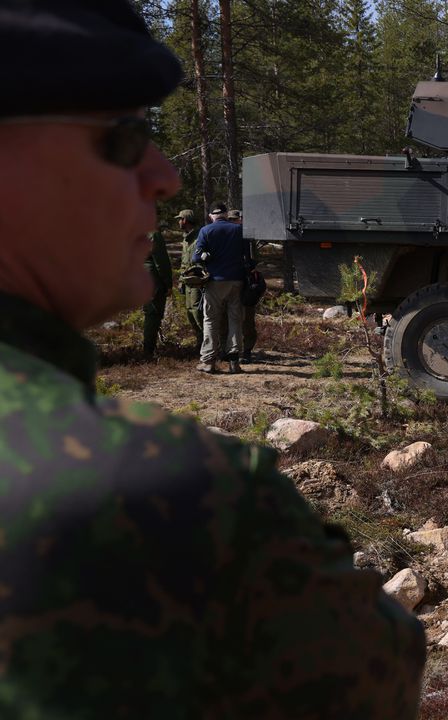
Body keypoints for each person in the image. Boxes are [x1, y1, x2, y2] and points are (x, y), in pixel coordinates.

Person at [0, 3, 425, 718]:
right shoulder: (171, 495)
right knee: (229, 330)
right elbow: (377, 669)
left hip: (212, 287)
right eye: (125, 139)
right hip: (235, 288)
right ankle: (227, 361)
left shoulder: (205, 236)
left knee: (211, 329)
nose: (164, 175)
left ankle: (215, 363)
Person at [192, 202, 251, 373]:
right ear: (225, 214)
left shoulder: (206, 230)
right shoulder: (239, 230)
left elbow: (196, 258)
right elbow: (248, 257)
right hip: (237, 280)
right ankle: (234, 362)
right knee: (235, 319)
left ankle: (208, 361)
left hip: (215, 280)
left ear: (211, 216)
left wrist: (208, 257)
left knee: (210, 320)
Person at [228, 208, 261, 362]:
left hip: (246, 281)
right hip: (232, 279)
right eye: (231, 220)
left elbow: (254, 259)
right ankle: (232, 349)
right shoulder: (227, 236)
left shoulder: (248, 236)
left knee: (247, 317)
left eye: (235, 220)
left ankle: (246, 350)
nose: (234, 223)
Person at [174, 208, 204, 348]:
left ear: (185, 220)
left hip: (197, 282)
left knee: (197, 312)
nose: (179, 222)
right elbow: (183, 263)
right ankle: (200, 342)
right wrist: (181, 281)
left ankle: (207, 344)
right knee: (190, 313)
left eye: (180, 219)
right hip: (187, 282)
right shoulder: (186, 239)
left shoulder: (199, 237)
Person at [140, 228, 171, 357]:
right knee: (153, 314)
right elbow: (161, 262)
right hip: (153, 280)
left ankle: (148, 349)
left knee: (149, 313)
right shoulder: (153, 234)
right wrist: (168, 283)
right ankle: (148, 352)